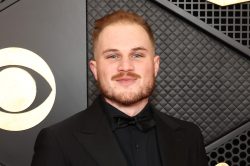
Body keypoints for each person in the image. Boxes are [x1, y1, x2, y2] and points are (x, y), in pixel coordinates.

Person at [31, 10, 208, 166]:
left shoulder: (189, 137)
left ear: (155, 66)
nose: (125, 66)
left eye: (137, 55)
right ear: (95, 69)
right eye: (113, 56)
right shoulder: (58, 141)